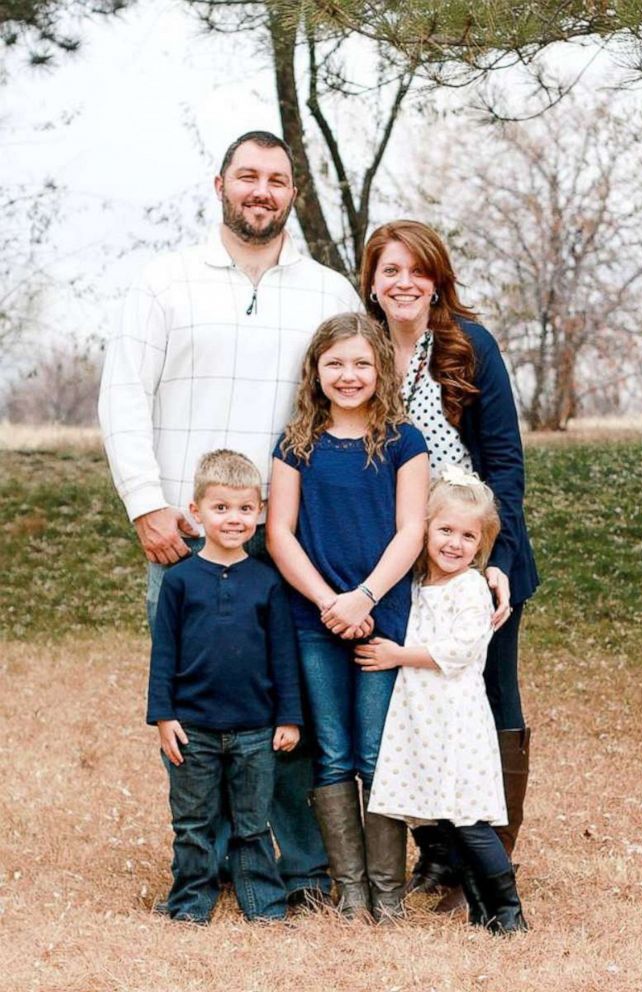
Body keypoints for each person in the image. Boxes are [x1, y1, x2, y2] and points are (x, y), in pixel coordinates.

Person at [99, 130, 360, 906]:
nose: (261, 191)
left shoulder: (327, 292)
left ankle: (300, 866)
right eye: (247, 176)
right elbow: (122, 397)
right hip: (186, 541)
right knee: (194, 705)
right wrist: (147, 502)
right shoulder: (164, 282)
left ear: (293, 195)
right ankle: (203, 865)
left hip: (288, 541)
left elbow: (354, 402)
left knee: (290, 708)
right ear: (219, 184)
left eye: (276, 180)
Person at [360, 220, 539, 905]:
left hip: (475, 549)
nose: (402, 282)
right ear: (371, 283)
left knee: (489, 696)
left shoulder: (468, 347)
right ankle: (435, 854)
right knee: (416, 699)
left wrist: (499, 559)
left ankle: (490, 860)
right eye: (388, 270)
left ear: (436, 279)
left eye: (416, 269)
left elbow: (504, 463)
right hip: (401, 556)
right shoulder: (362, 349)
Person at [267, 312, 429, 921]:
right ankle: (351, 888)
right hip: (315, 620)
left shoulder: (402, 440)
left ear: (380, 369)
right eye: (335, 363)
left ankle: (387, 893)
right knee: (332, 751)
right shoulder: (296, 443)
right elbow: (280, 533)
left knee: (376, 751)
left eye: (361, 362)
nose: (349, 374)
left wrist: (363, 597)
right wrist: (328, 602)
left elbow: (411, 528)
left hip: (382, 615)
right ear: (315, 370)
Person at [358, 471, 528, 934]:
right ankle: (480, 908)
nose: (454, 543)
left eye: (468, 536)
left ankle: (509, 911)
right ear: (425, 529)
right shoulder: (416, 586)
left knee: (469, 818)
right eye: (445, 530)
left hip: (456, 720)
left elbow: (460, 650)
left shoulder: (470, 588)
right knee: (445, 822)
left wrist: (396, 656)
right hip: (422, 718)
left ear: (482, 544)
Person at [147, 450, 302, 923]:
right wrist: (163, 716)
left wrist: (289, 716)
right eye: (221, 508)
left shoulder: (268, 582)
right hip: (193, 728)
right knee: (193, 823)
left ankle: (264, 904)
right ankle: (191, 903)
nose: (233, 519)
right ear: (196, 512)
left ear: (259, 512)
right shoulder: (179, 582)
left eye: (244, 508)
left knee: (253, 824)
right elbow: (164, 654)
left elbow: (283, 655)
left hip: (256, 728)